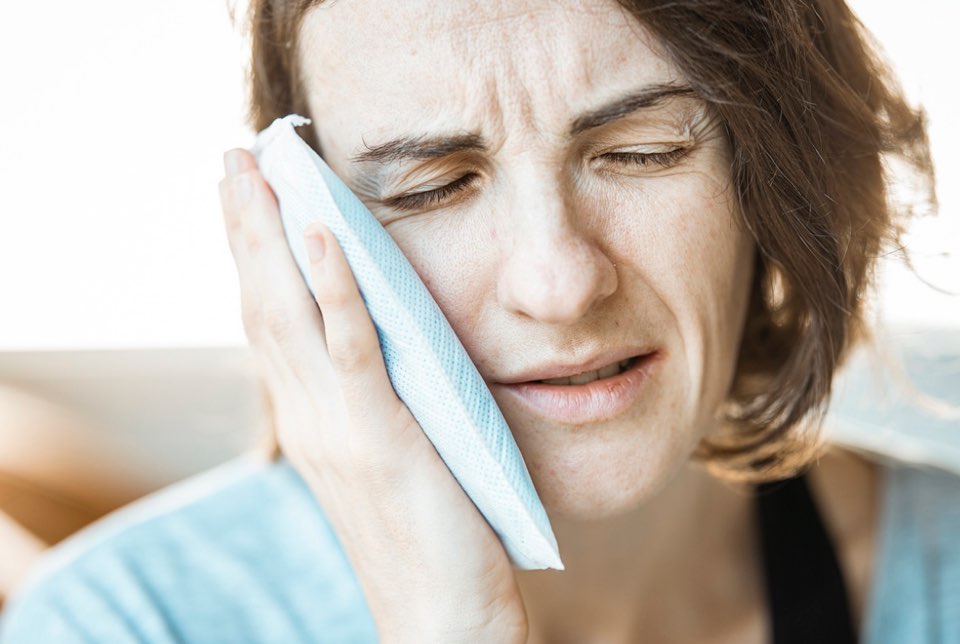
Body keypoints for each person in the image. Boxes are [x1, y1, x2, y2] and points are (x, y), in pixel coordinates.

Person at [1, 1, 956, 642]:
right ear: (304, 228)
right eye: (434, 186)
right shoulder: (120, 625)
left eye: (643, 151)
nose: (560, 284)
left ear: (776, 175)